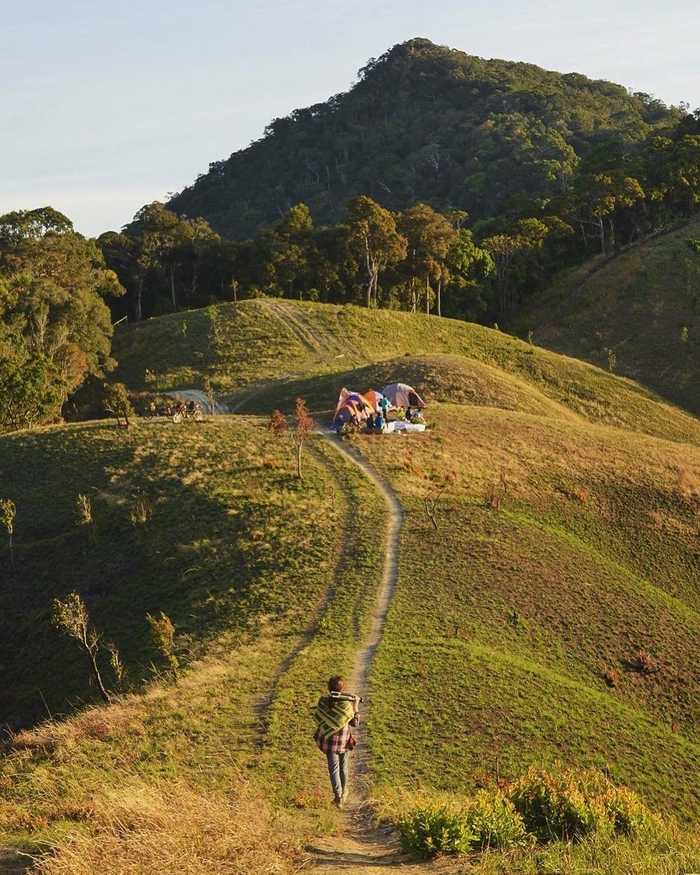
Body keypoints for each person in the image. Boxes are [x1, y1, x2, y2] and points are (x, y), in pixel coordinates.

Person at [313, 676, 360, 806]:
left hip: (329, 743)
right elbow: (355, 723)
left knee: (333, 769)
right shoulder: (346, 705)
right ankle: (344, 791)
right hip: (344, 742)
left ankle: (337, 795)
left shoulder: (323, 701)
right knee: (343, 767)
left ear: (329, 688)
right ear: (342, 688)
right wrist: (355, 706)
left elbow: (318, 716)